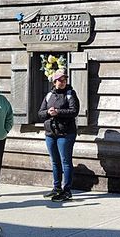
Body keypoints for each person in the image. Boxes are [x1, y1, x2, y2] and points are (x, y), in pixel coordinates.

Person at [38, 69, 79, 202]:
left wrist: (58, 112)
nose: (62, 82)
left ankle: (67, 191)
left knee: (66, 162)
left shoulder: (70, 93)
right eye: (60, 80)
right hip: (50, 133)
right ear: (54, 82)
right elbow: (40, 113)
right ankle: (57, 188)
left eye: (64, 80)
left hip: (66, 133)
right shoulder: (49, 95)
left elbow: (74, 111)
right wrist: (49, 113)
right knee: (55, 162)